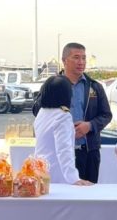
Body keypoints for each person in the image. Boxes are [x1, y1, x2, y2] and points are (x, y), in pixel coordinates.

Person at [34, 43, 112, 183]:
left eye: (84, 58)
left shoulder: (94, 86)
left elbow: (106, 115)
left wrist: (90, 126)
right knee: (64, 191)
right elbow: (38, 110)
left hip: (88, 151)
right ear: (64, 60)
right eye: (76, 57)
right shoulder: (52, 84)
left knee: (89, 192)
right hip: (60, 154)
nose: (81, 62)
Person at [34, 76, 91, 185]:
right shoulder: (63, 116)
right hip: (57, 174)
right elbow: (64, 149)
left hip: (40, 170)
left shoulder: (42, 112)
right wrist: (73, 178)